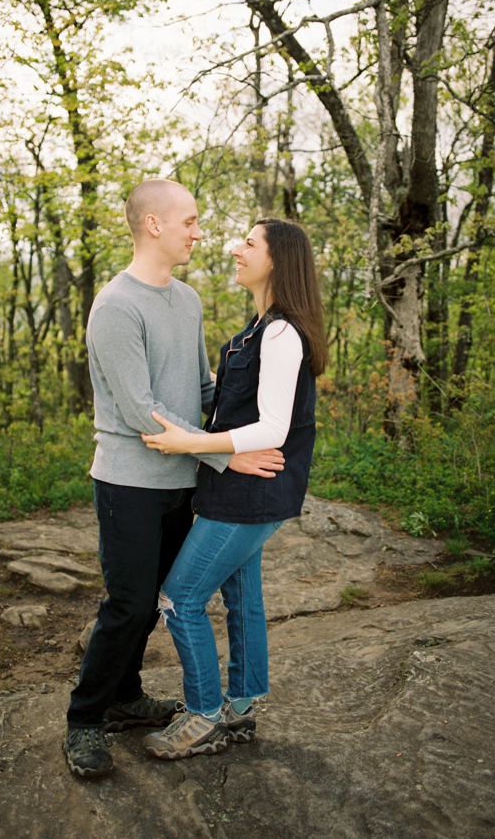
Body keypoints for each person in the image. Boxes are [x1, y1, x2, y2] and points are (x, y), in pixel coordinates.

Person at [63, 180, 286, 778]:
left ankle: (126, 696)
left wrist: (238, 436)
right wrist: (225, 457)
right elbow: (140, 408)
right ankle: (84, 719)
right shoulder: (115, 305)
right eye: (189, 220)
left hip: (181, 483)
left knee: (154, 602)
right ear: (154, 225)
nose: (198, 231)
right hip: (129, 483)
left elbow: (202, 388)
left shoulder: (185, 299)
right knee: (128, 603)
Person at [140, 218, 328, 759]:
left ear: (278, 259)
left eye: (249, 243)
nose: (235, 249)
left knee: (179, 600)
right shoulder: (259, 328)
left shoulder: (281, 332)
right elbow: (232, 404)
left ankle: (202, 717)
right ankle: (240, 710)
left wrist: (187, 444)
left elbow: (274, 427)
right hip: (237, 490)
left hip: (253, 494)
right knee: (243, 600)